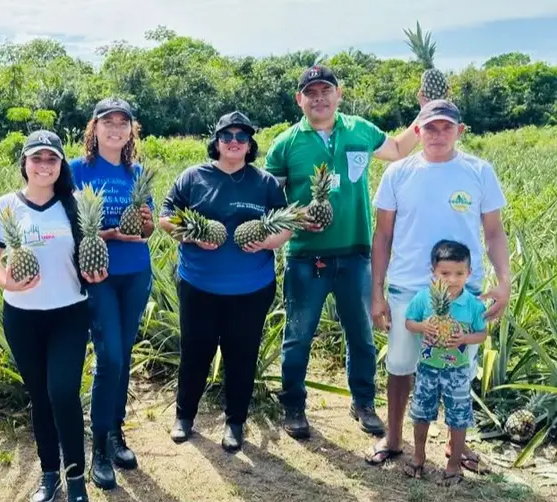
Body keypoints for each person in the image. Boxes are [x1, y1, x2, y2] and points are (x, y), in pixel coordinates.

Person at [264, 64, 424, 439]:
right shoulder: (285, 143)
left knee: (361, 333)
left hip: (355, 254)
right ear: (299, 99)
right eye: (311, 92)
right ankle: (294, 406)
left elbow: (400, 150)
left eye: (326, 90)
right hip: (305, 257)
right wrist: (298, 216)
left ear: (338, 94)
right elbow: (268, 203)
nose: (319, 98)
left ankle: (363, 402)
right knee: (298, 335)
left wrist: (425, 113)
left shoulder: (361, 131)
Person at [368, 100, 510, 470]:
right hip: (407, 289)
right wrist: (377, 292)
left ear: (460, 131)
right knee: (400, 366)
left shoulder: (479, 171)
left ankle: (456, 445)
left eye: (447, 127)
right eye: (430, 128)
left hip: (465, 292)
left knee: (457, 366)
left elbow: (494, 233)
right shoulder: (397, 173)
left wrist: (505, 281)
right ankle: (395, 437)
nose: (438, 134)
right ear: (417, 131)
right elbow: (382, 236)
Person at [0, 129, 106, 502]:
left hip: (69, 312)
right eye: (36, 158)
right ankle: (49, 472)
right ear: (25, 163)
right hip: (21, 316)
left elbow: (91, 253)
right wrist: (7, 280)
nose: (44, 165)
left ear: (60, 165)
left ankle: (75, 479)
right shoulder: (5, 206)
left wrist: (98, 271)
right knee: (39, 395)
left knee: (63, 392)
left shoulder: (72, 206)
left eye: (51, 159)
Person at [159, 111, 293, 452]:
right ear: (216, 142)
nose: (234, 143)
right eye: (227, 136)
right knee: (195, 351)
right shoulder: (193, 177)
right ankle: (184, 416)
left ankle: (235, 422)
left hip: (251, 288)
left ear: (250, 145)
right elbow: (165, 216)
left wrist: (265, 242)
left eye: (241, 137)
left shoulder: (264, 183)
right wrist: (191, 236)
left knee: (242, 354)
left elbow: (286, 226)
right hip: (198, 284)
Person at [69, 98, 154, 490]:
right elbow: (66, 226)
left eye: (123, 123)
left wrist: (146, 225)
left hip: (136, 273)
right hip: (97, 275)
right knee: (110, 357)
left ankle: (117, 432)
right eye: (108, 122)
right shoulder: (76, 170)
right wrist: (104, 235)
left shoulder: (135, 172)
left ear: (131, 130)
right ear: (95, 128)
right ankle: (99, 446)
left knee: (125, 353)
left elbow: (146, 230)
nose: (116, 129)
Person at [402, 240, 488, 485]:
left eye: (459, 273)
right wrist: (422, 326)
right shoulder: (423, 299)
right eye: (445, 273)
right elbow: (409, 323)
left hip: (458, 372)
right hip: (428, 370)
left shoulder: (472, 304)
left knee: (459, 417)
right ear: (434, 273)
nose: (452, 279)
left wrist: (464, 338)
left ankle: (453, 464)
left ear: (469, 273)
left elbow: (482, 333)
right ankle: (419, 456)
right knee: (421, 414)